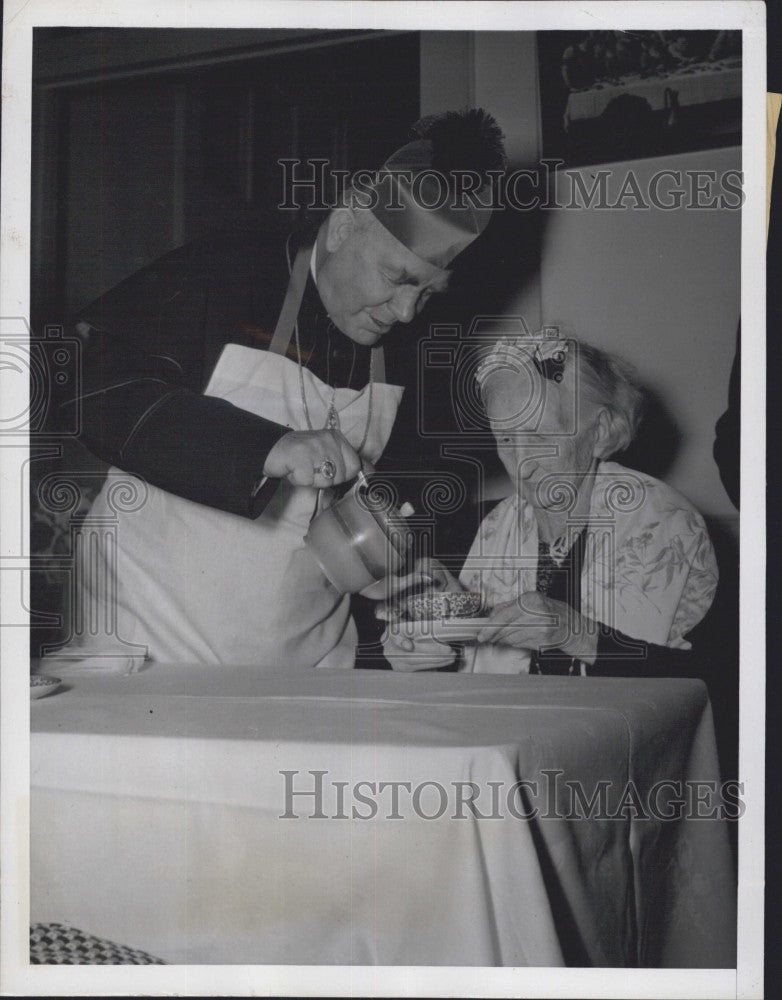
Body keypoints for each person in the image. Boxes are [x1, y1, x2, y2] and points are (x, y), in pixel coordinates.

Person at [52, 109, 507, 669]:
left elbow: (385, 504)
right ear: (344, 225)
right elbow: (84, 385)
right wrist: (269, 447)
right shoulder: (226, 269)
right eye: (397, 279)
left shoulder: (415, 350)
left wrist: (392, 568)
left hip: (307, 671)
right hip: (149, 649)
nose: (408, 312)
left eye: (430, 293)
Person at [380, 335, 719, 676]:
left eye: (541, 437)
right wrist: (424, 647)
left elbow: (699, 681)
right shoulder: (477, 528)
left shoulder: (665, 525)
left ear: (599, 432)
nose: (522, 463)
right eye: (507, 439)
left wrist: (577, 635)